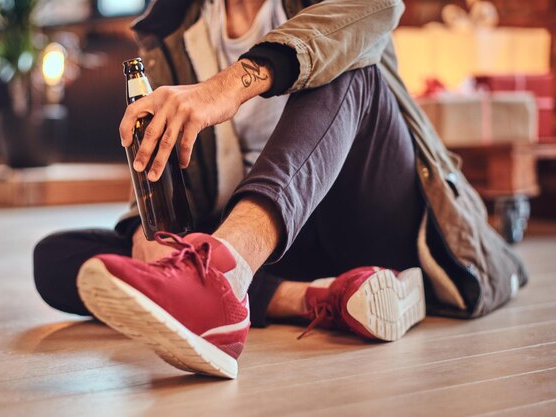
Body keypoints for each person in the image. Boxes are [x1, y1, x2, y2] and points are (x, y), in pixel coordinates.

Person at [33, 0, 527, 379]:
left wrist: (226, 87)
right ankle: (309, 298)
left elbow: (381, 5)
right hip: (274, 247)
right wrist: (148, 234)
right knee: (58, 257)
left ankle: (223, 276)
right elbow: (157, 162)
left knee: (350, 66)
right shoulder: (170, 32)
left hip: (364, 211)